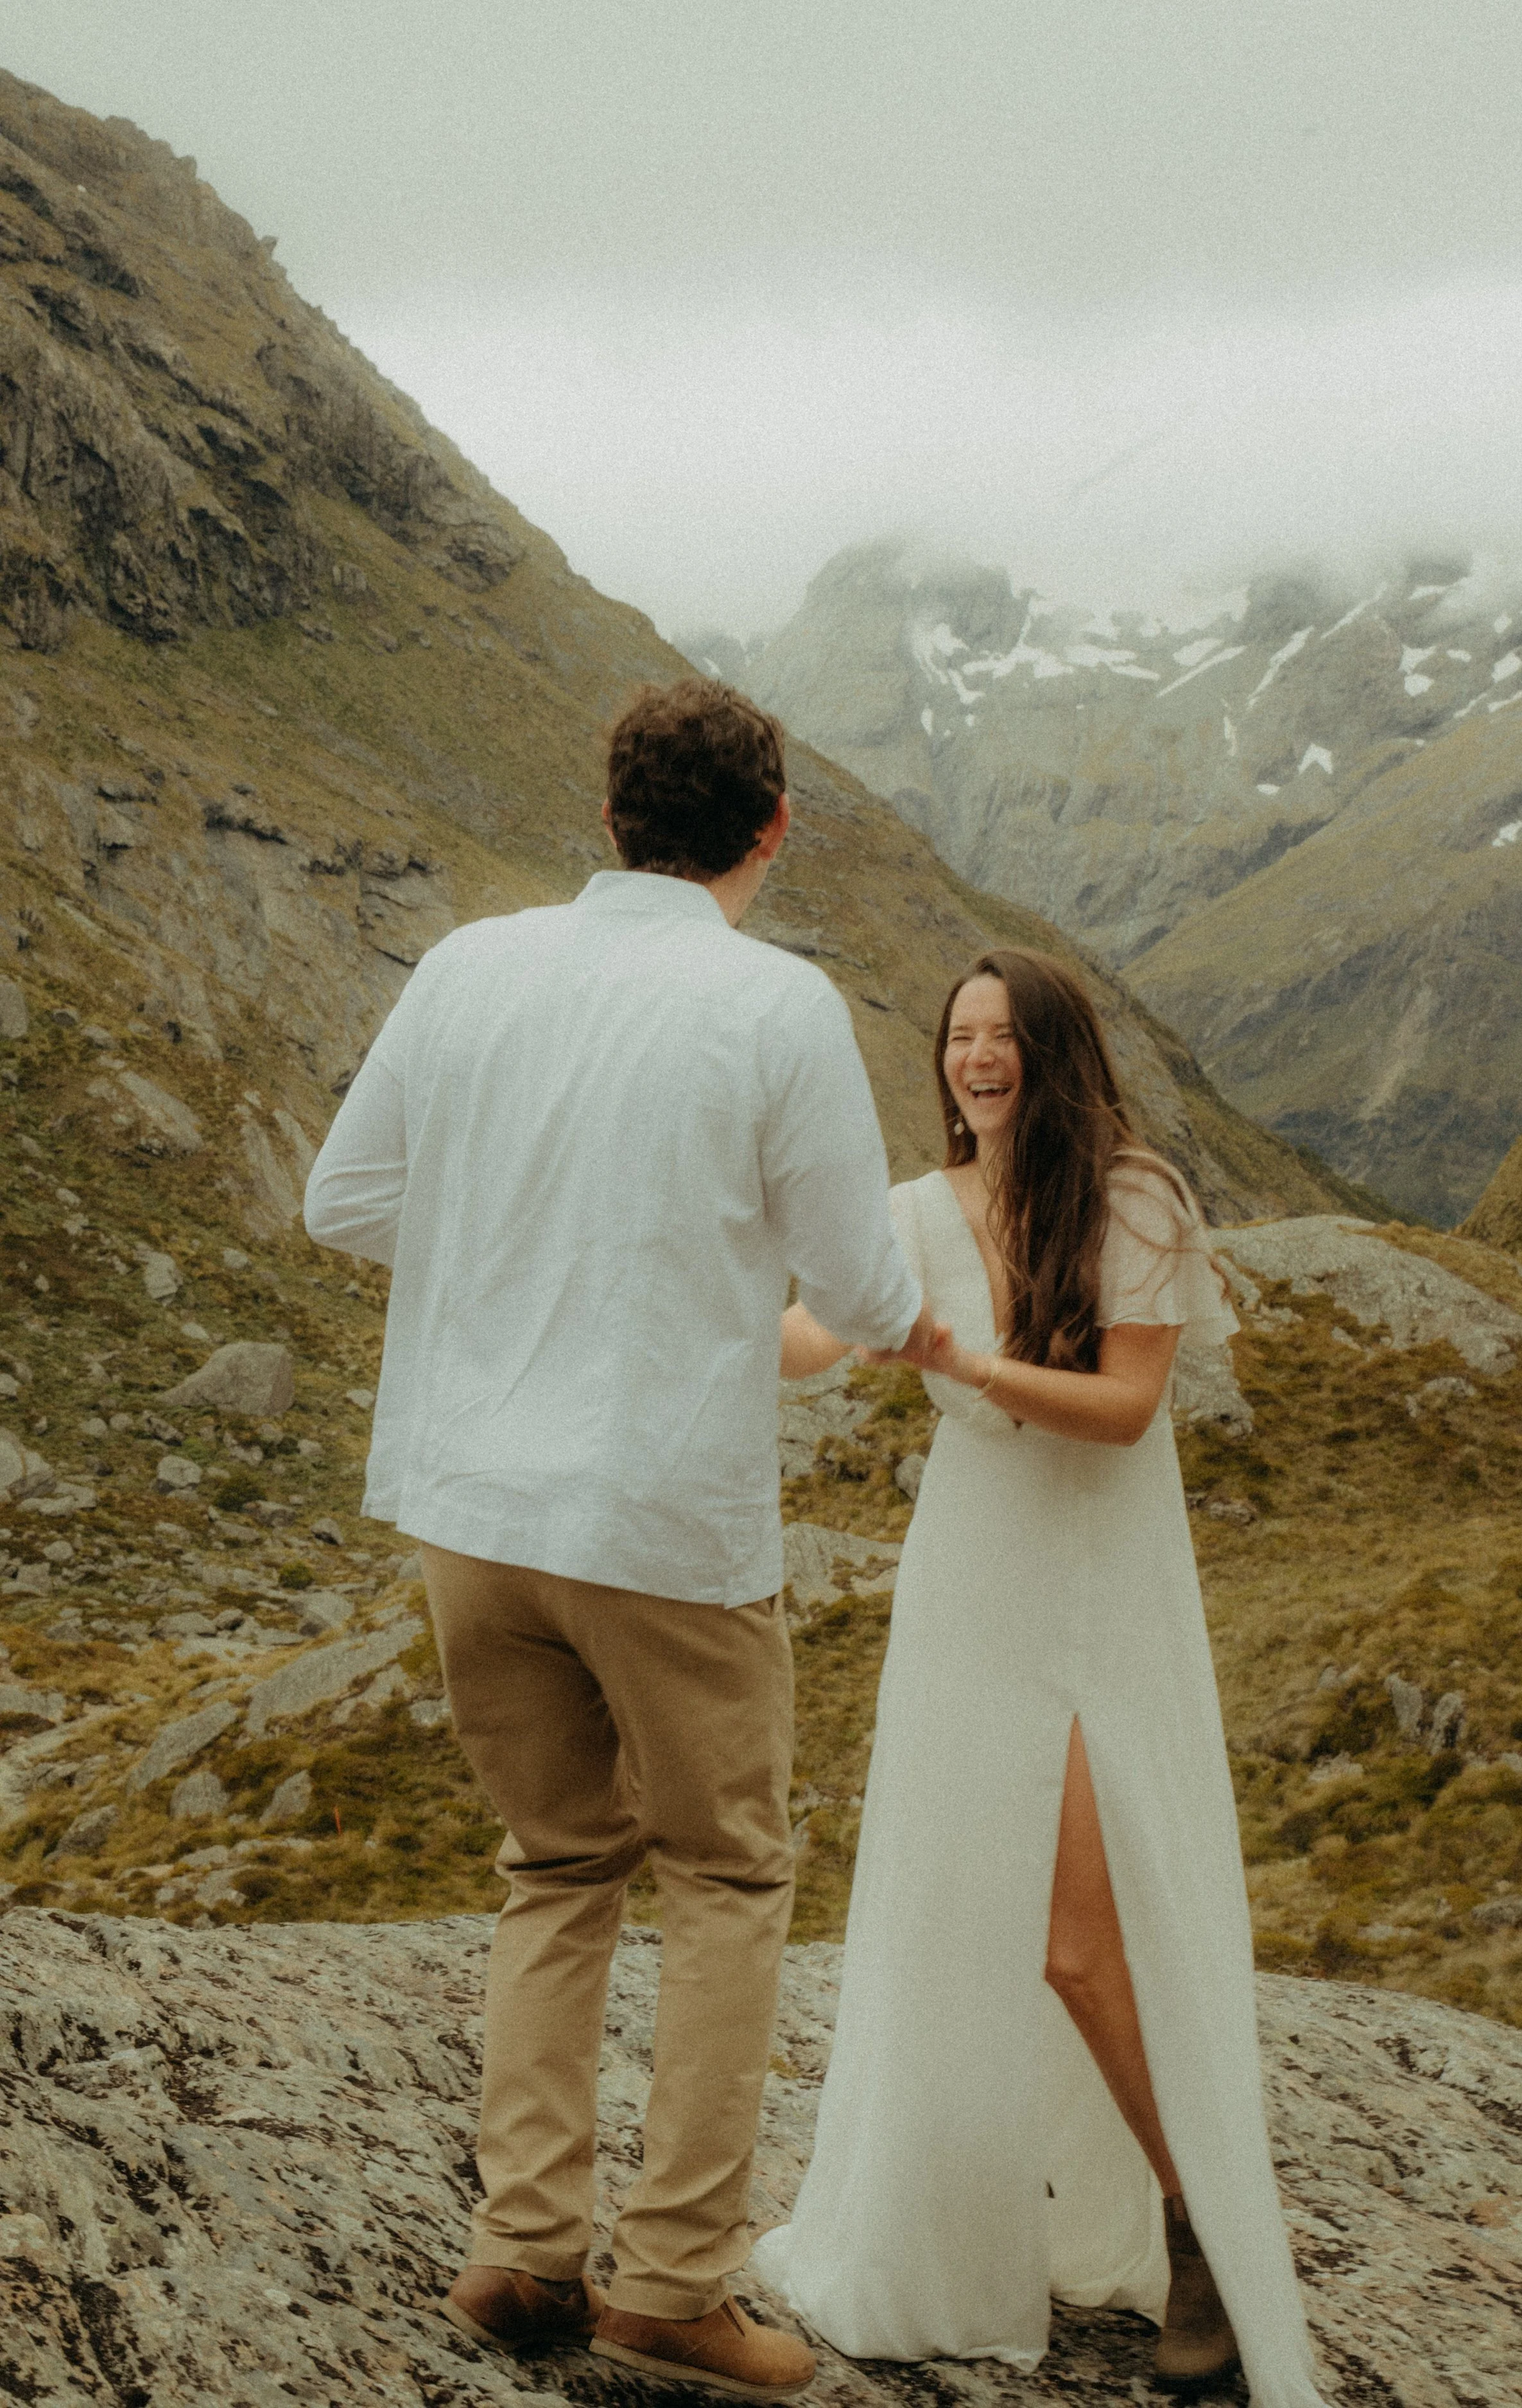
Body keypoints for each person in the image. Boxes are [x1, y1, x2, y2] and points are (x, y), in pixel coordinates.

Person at [302, 677, 935, 2404]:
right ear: (773, 825)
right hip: (657, 1514)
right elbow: (863, 1292)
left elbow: (340, 1199)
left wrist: (522, 1241)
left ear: (609, 818)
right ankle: (667, 2283)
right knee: (726, 1874)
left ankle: (520, 2251)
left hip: (468, 1510)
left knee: (555, 1861)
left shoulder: (467, 970)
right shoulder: (775, 1006)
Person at [751, 950, 1329, 2406]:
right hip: (971, 1574)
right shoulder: (907, 1213)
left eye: (1003, 1035)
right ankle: (982, 2224)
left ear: (1050, 1050)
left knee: (1078, 1935)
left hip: (1100, 1581)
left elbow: (1126, 1411)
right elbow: (813, 1338)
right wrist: (682, 1322)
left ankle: (1194, 2220)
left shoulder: (1133, 1199)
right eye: (956, 1035)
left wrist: (966, 1361)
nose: (975, 1056)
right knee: (960, 1905)